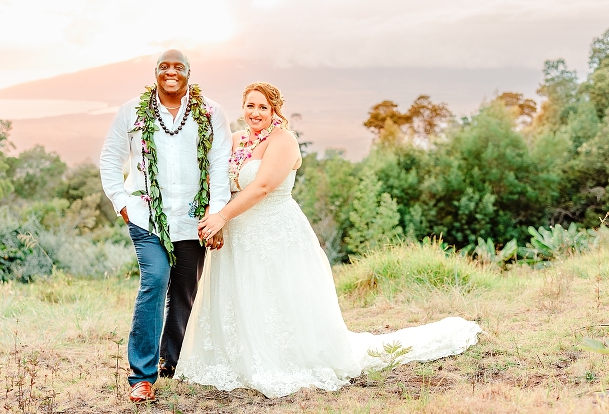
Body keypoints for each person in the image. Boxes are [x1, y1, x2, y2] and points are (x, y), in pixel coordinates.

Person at [176, 82, 482, 398]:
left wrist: (222, 217)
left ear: (275, 110)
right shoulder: (236, 140)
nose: (255, 113)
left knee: (276, 295)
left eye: (263, 107)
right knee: (241, 294)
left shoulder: (284, 141)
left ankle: (284, 359)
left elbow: (263, 186)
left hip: (275, 233)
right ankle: (237, 359)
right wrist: (217, 217)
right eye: (250, 106)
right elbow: (216, 181)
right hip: (238, 236)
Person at [99, 50, 231, 403]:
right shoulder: (131, 111)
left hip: (193, 219)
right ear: (155, 73)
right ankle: (142, 376)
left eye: (178, 67)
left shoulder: (212, 113)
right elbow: (111, 157)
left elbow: (219, 166)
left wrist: (217, 214)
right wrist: (122, 203)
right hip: (146, 217)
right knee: (155, 281)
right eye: (164, 67)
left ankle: (173, 362)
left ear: (189, 73)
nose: (171, 72)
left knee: (184, 290)